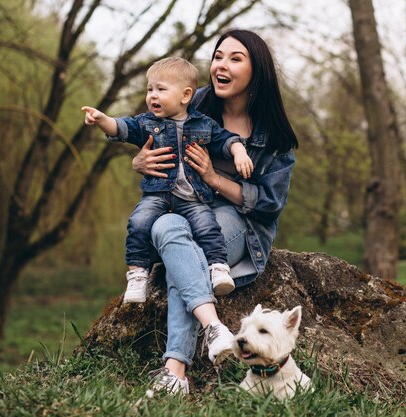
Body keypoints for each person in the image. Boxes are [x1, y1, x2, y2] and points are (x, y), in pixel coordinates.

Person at [132, 29, 298, 395]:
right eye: (218, 56)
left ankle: (174, 370)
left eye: (235, 59)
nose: (221, 65)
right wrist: (140, 160)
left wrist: (211, 176)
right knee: (164, 226)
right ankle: (213, 328)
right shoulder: (194, 104)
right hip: (187, 210)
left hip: (241, 225)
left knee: (188, 251)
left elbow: (270, 204)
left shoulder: (274, 136)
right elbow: (144, 130)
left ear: (258, 73)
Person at [81, 57, 254, 304]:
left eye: (161, 89)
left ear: (185, 96)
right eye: (150, 89)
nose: (153, 95)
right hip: (157, 195)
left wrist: (239, 152)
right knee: (138, 222)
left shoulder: (203, 124)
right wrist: (101, 120)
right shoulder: (147, 123)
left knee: (208, 226)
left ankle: (218, 268)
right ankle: (137, 275)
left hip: (193, 197)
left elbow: (226, 139)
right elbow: (121, 128)